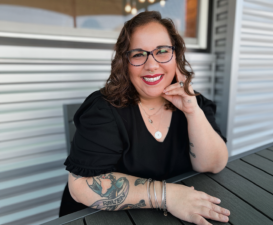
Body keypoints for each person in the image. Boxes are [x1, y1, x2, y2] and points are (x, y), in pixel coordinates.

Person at [59, 11, 230, 225]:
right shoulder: (103, 108)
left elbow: (214, 164)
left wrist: (192, 112)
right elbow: (80, 187)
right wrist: (168, 196)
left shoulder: (194, 102)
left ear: (175, 55)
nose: (151, 65)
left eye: (162, 51)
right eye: (138, 54)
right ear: (125, 62)